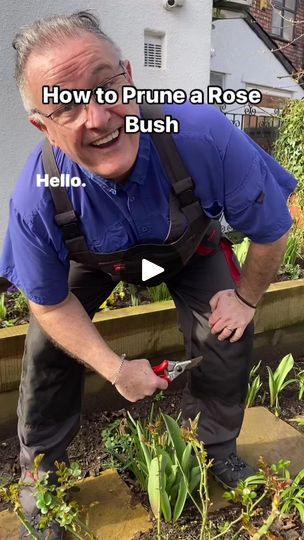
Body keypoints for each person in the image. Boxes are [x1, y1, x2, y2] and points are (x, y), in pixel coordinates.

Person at [0, 10, 297, 539]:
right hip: (96, 261)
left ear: (129, 77)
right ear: (41, 125)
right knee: (48, 344)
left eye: (105, 86)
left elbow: (273, 229)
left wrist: (248, 299)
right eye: (64, 105)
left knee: (224, 330)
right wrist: (115, 368)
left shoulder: (197, 135)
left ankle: (219, 449)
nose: (98, 116)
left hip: (183, 252)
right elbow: (48, 302)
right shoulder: (37, 196)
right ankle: (40, 478)